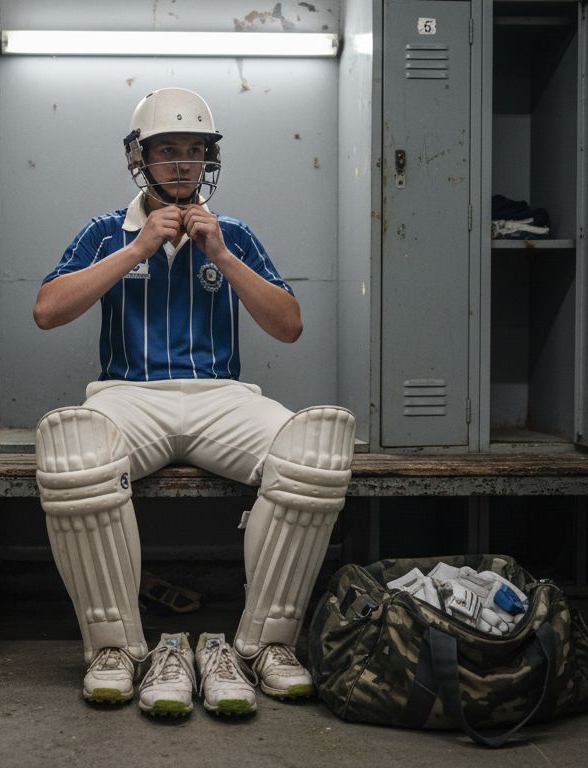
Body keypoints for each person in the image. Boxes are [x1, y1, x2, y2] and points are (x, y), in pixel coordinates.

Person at [31, 87, 356, 718]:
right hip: (130, 396)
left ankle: (264, 646)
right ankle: (116, 650)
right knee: (72, 448)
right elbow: (46, 311)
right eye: (168, 151)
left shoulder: (231, 232)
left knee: (315, 449)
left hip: (221, 398)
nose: (182, 163)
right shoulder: (107, 230)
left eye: (195, 151)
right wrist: (137, 249)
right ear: (141, 159)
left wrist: (222, 256)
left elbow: (288, 326)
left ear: (210, 159)